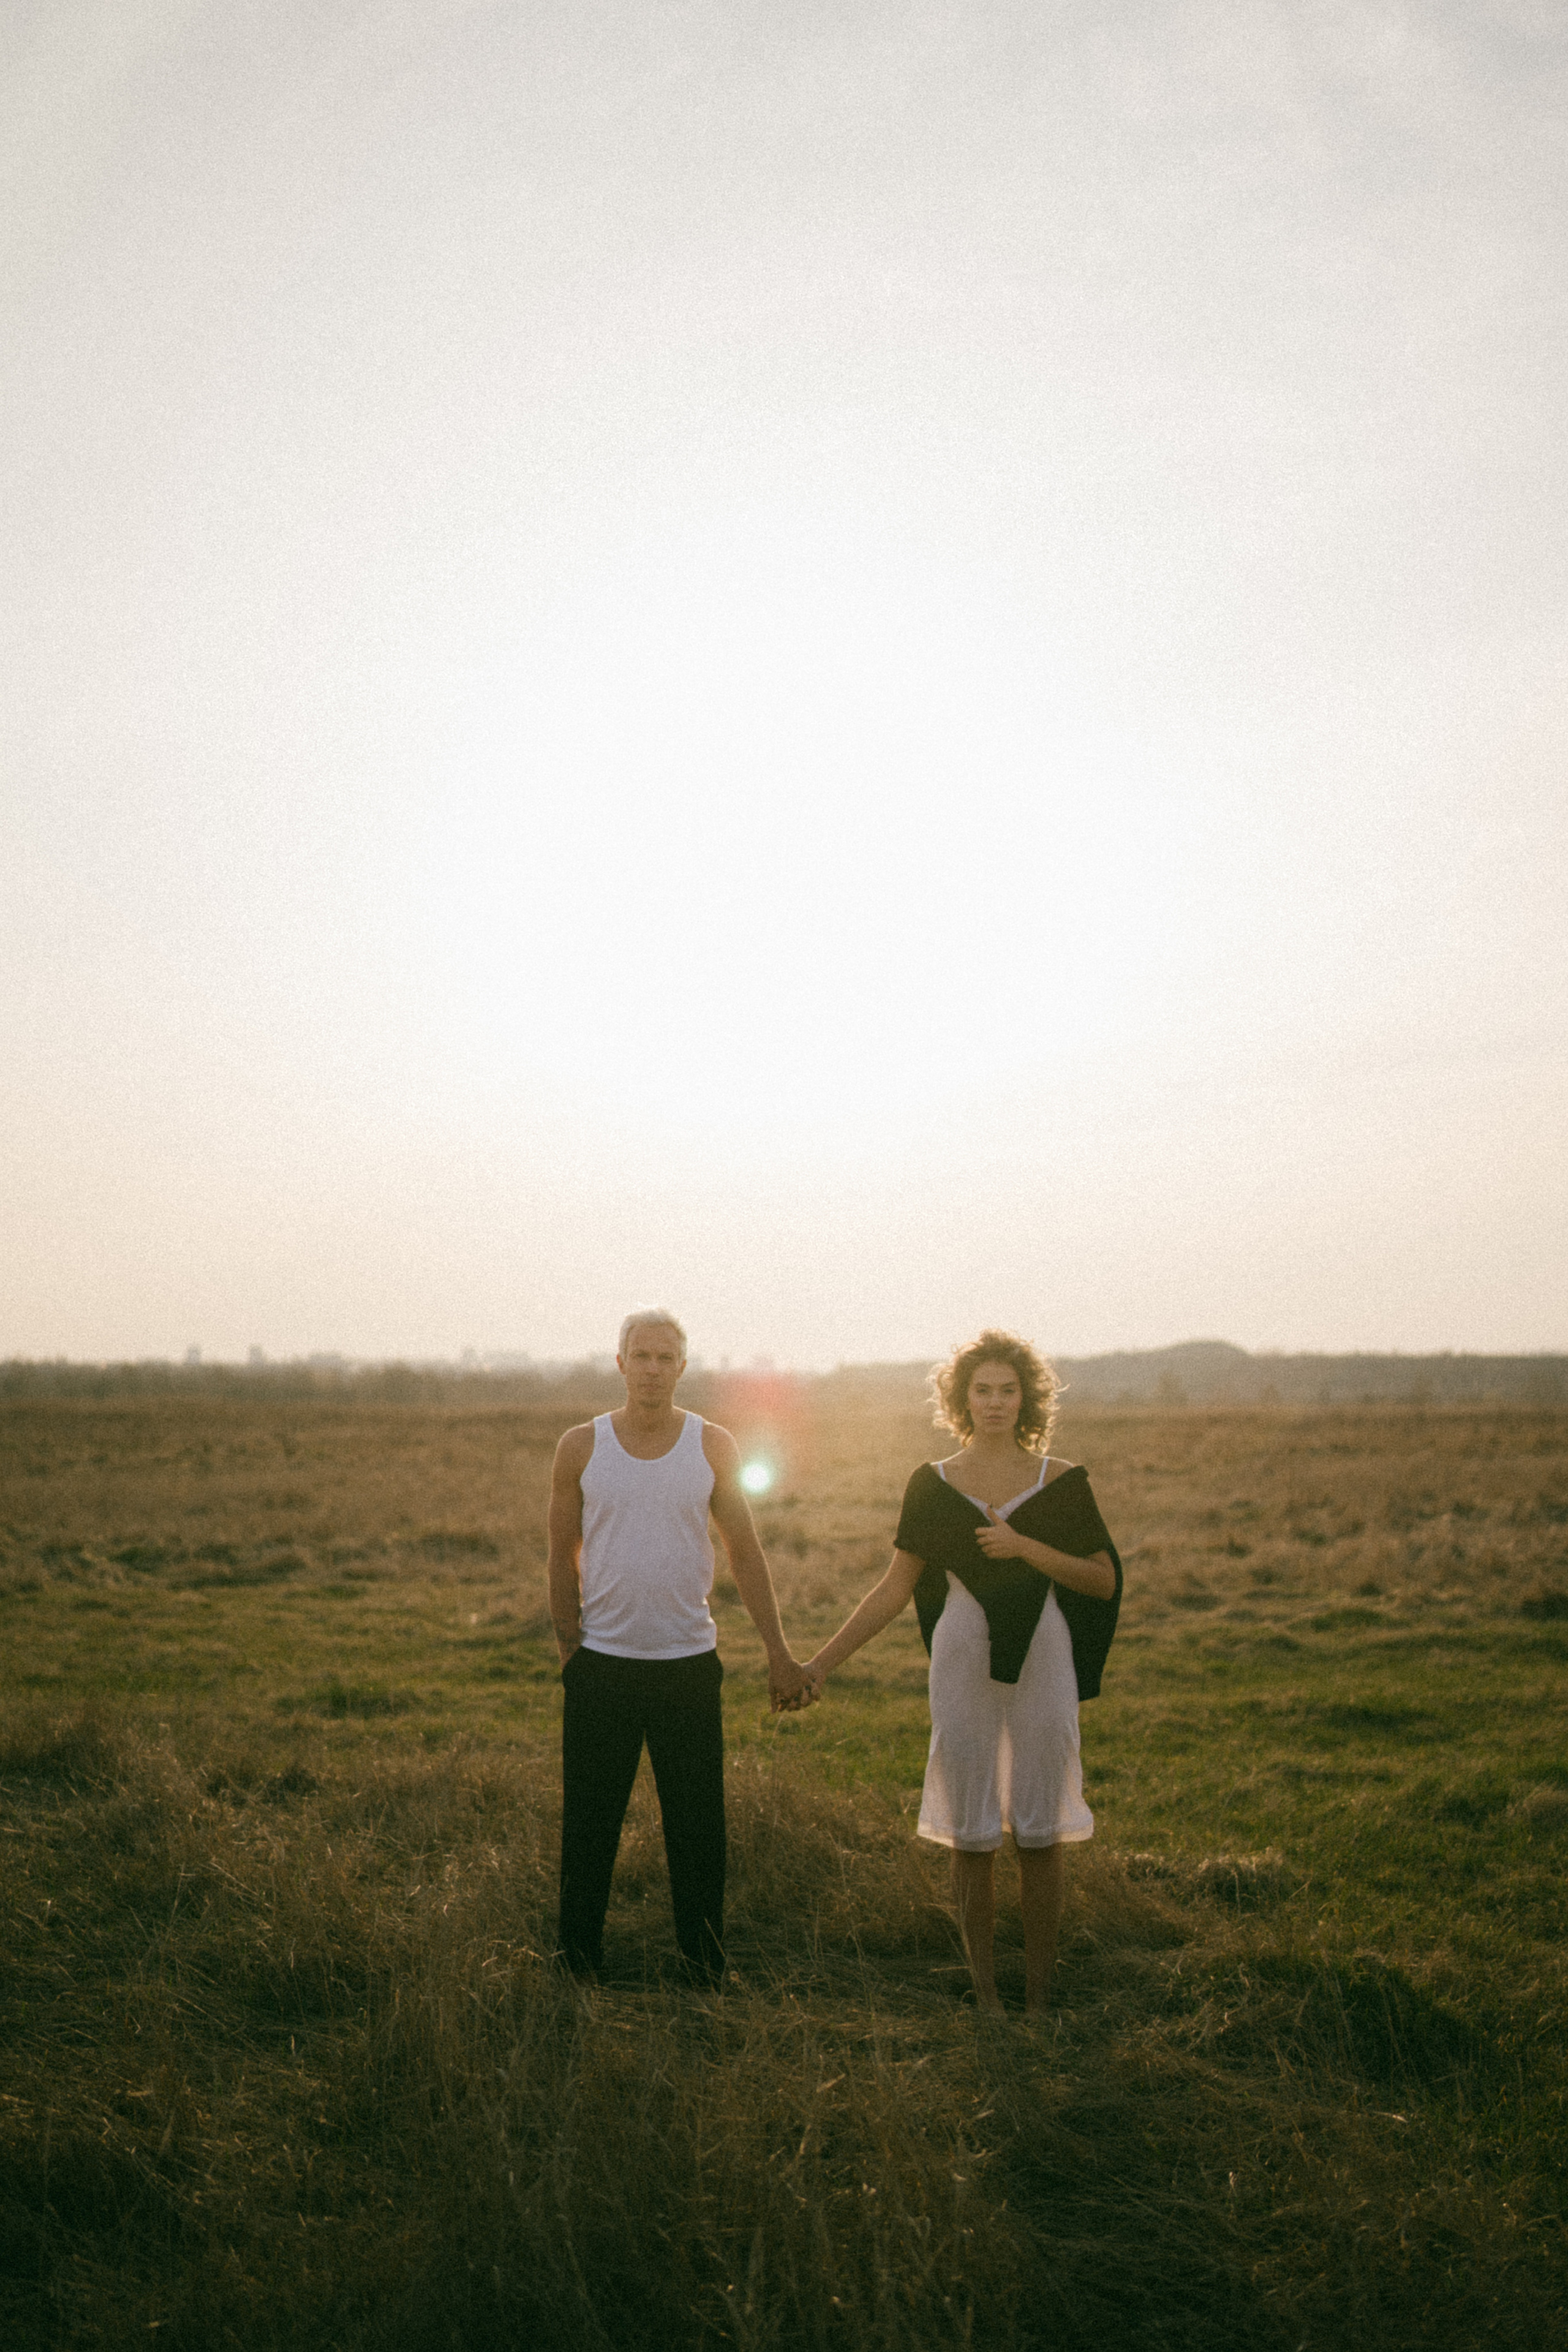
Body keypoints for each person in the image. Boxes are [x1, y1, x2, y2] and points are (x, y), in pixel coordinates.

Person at [804, 1330, 1121, 2015]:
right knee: (971, 1828)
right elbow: (892, 1590)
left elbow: (1101, 1580)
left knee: (1040, 1830)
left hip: (1044, 1656)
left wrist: (1023, 1545)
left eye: (1008, 1391)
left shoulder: (1062, 1483)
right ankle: (985, 1998)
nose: (996, 1402)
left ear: (1026, 1399)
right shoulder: (933, 1486)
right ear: (962, 1399)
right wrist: (818, 1664)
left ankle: (1038, 1998)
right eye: (983, 1390)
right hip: (961, 1656)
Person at [548, 1307, 813, 1984]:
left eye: (666, 1358)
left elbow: (746, 1554)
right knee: (589, 1829)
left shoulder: (712, 1445)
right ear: (620, 1363)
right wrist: (570, 1652)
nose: (652, 1369)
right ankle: (576, 1967)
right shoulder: (580, 1446)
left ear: (682, 1368)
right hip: (601, 1668)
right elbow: (559, 1555)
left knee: (697, 1831)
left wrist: (779, 1654)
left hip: (687, 1667)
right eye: (640, 1355)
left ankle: (702, 1970)